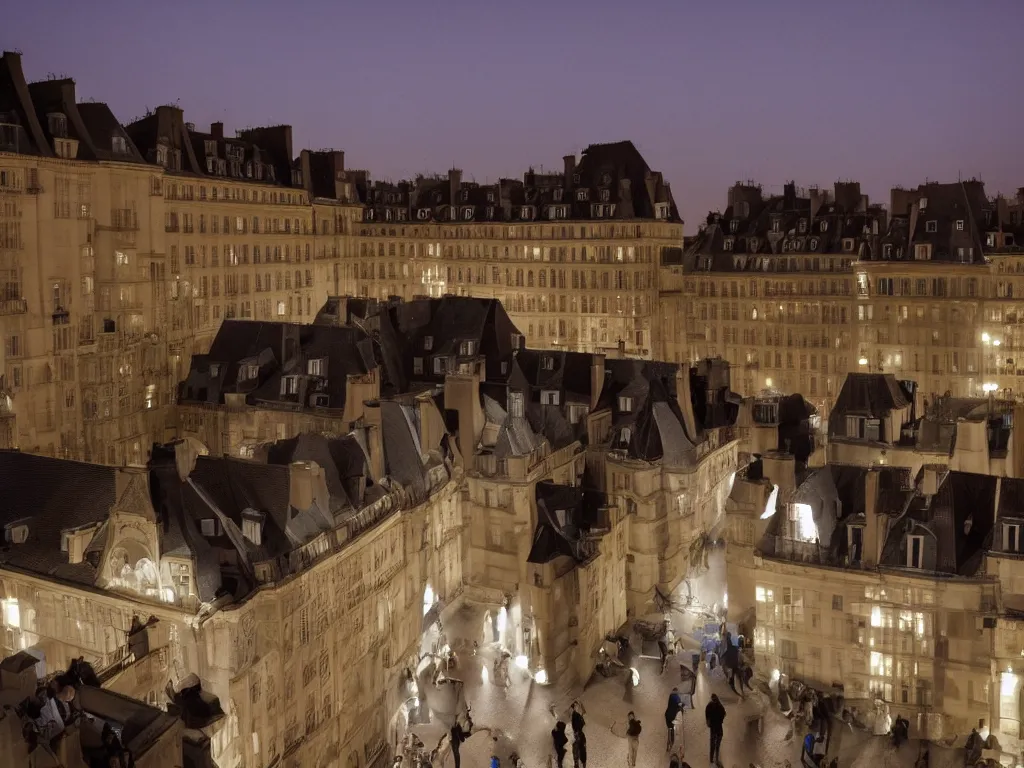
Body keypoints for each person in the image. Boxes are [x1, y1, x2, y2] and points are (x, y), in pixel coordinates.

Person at [705, 693, 726, 767]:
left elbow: (707, 715)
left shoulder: (709, 706)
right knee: (718, 745)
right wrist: (721, 720)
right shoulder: (720, 706)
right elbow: (724, 714)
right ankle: (716, 758)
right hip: (719, 728)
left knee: (712, 743)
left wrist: (708, 723)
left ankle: (711, 759)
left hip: (713, 728)